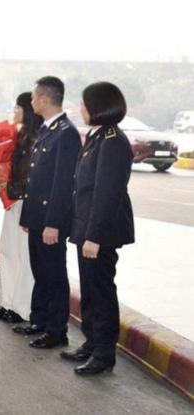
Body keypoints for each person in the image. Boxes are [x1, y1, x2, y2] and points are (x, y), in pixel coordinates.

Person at [61, 82, 134, 375]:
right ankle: (91, 343)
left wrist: (94, 236)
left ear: (99, 105)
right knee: (90, 290)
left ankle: (104, 354)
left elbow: (107, 194)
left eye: (84, 103)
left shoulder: (113, 141)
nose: (81, 109)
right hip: (87, 229)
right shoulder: (98, 136)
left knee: (101, 291)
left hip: (100, 233)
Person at [15, 76, 81, 349]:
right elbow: (37, 178)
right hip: (38, 218)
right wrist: (30, 218)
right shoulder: (46, 129)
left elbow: (63, 183)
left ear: (44, 100)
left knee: (54, 274)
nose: (30, 103)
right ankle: (39, 319)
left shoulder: (66, 133)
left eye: (33, 98)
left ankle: (57, 331)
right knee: (40, 271)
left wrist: (53, 223)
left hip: (51, 220)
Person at [0, 92, 43, 323]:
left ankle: (23, 308)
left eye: (18, 108)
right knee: (9, 252)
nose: (15, 112)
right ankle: (9, 301)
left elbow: (34, 177)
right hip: (12, 201)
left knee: (24, 257)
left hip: (25, 201)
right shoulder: (21, 134)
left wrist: (9, 186)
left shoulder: (38, 137)